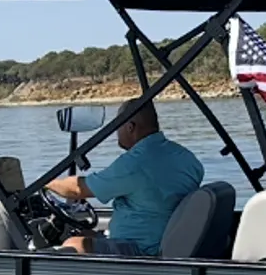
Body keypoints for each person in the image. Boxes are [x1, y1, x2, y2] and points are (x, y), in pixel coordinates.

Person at [46, 99, 204, 256]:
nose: (117, 132)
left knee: (75, 244)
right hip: (166, 241)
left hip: (142, 251)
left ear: (130, 127)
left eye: (118, 126)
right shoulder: (187, 158)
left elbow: (77, 189)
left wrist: (46, 182)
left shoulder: (136, 163)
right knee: (86, 235)